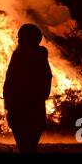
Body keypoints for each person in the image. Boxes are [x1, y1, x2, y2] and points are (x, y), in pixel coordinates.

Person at [3, 24, 52, 153]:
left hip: (23, 110)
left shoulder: (23, 56)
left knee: (25, 147)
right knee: (29, 147)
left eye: (21, 37)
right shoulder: (36, 56)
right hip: (28, 109)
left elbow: (10, 82)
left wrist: (10, 103)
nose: (18, 40)